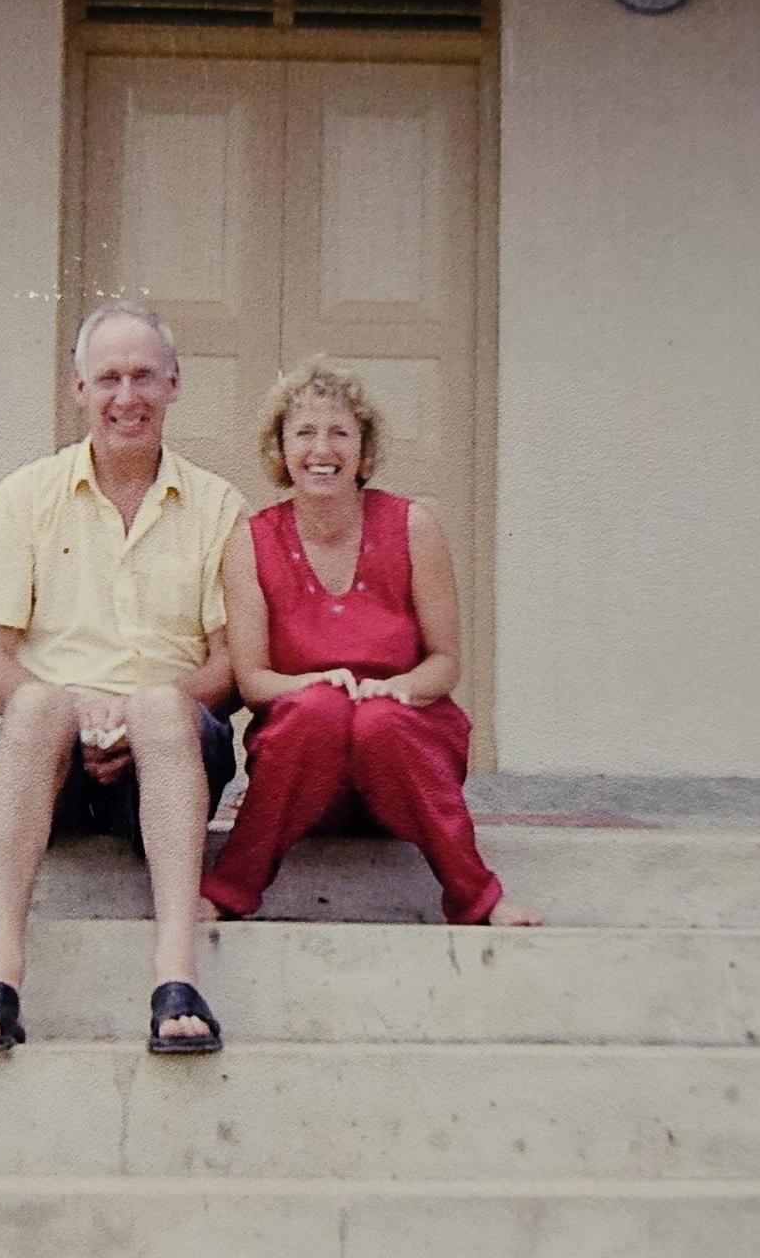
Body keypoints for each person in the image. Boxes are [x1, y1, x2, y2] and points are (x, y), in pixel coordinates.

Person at [0, 301, 245, 1055]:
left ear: (175, 385)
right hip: (56, 759)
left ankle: (177, 978)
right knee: (35, 703)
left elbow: (234, 664)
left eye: (144, 376)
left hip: (173, 757)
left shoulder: (219, 507)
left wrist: (142, 716)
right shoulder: (24, 499)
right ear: (78, 388)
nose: (126, 396)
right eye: (108, 377)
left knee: (163, 708)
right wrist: (81, 716)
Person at [199, 359, 541, 928]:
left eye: (339, 432)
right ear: (280, 450)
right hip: (305, 775)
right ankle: (230, 891)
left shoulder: (413, 526)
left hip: (404, 761)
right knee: (319, 711)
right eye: (303, 433)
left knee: (379, 721)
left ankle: (476, 899)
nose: (321, 449)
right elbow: (253, 679)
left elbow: (446, 663)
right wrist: (316, 687)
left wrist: (395, 690)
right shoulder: (250, 540)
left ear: (364, 448)